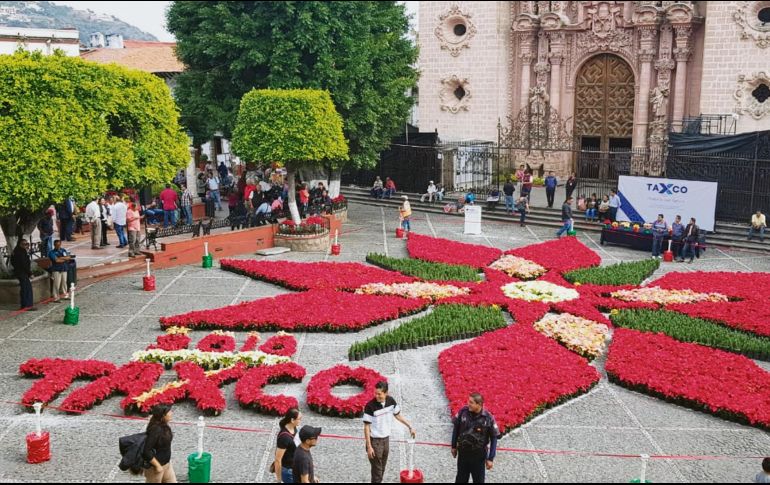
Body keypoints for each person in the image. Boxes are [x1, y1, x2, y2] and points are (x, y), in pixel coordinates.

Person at [363, 381, 416, 484]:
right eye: (375, 393)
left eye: (379, 394)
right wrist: (369, 447)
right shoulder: (370, 406)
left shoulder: (391, 401)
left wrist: (410, 426)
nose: (376, 396)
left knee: (381, 469)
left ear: (386, 393)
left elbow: (398, 416)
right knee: (377, 472)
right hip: (375, 442)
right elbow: (366, 427)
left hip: (386, 440)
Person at [451, 393, 499, 484]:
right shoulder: (463, 412)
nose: (468, 404)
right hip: (463, 454)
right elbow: (456, 428)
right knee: (460, 479)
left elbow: (494, 438)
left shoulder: (488, 418)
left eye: (471, 402)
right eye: (468, 401)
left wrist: (490, 458)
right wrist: (453, 446)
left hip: (478, 457)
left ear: (479, 404)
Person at [142, 405, 176, 483]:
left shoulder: (165, 426)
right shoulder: (155, 430)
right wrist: (157, 466)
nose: (171, 413)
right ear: (162, 415)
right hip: (155, 469)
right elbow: (146, 451)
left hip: (167, 465)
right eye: (169, 412)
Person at [274, 408, 302, 484]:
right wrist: (279, 480)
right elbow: (278, 460)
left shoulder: (294, 428)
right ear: (292, 420)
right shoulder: (284, 437)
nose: (300, 421)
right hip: (288, 471)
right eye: (299, 419)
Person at [11, 239, 36, 311]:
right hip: (22, 273)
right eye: (25, 244)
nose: (26, 245)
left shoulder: (17, 251)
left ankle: (25, 305)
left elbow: (13, 262)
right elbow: (24, 264)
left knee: (25, 289)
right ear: (20, 244)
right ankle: (27, 305)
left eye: (27, 244)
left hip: (20, 272)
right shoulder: (20, 252)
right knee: (26, 289)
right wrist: (30, 273)